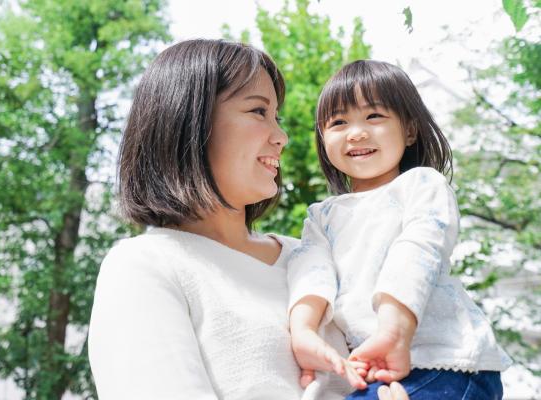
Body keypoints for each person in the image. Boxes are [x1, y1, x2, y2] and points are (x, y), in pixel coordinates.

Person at [88, 40, 409, 400]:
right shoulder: (144, 266)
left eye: (277, 117)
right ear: (188, 123)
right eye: (258, 111)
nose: (282, 137)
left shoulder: (310, 257)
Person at [287, 60, 512, 399]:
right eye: (338, 122)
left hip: (445, 361)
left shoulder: (423, 185)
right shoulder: (322, 216)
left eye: (373, 116)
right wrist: (303, 330)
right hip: (381, 369)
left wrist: (395, 328)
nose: (356, 132)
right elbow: (310, 273)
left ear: (409, 130)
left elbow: (418, 249)